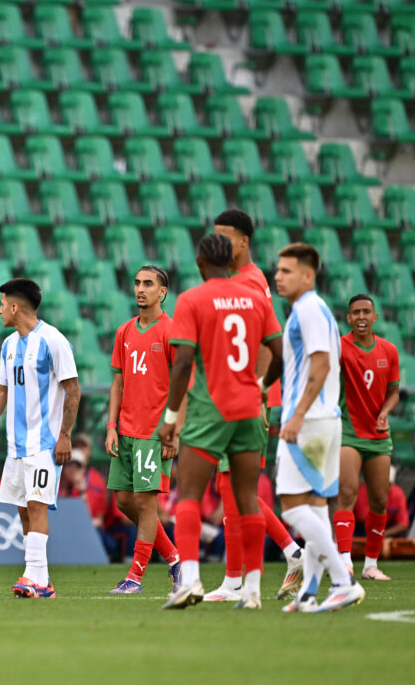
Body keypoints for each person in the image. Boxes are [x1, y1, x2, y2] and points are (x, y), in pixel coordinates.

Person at [158, 233, 283, 610]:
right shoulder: (255, 298)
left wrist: (170, 416)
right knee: (248, 498)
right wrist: (261, 387)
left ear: (200, 262)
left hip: (210, 410)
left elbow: (182, 363)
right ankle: (254, 591)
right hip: (249, 409)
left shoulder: (192, 299)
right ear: (231, 260)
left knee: (190, 496)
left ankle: (191, 582)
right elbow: (278, 352)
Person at [210, 209, 306, 602]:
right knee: (230, 485)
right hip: (239, 396)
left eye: (225, 237)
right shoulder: (244, 280)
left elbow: (269, 341)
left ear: (244, 240)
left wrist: (261, 391)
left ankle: (247, 576)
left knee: (236, 486)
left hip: (247, 399)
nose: (218, 244)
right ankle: (281, 556)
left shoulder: (247, 283)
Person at [0, 278, 81, 598]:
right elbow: (1, 389)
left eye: (3, 305)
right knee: (23, 510)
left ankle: (31, 575)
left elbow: (73, 391)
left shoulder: (53, 340)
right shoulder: (9, 345)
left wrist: (65, 436)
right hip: (15, 445)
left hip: (44, 443)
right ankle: (42, 581)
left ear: (16, 307)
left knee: (36, 506)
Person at [274, 243, 365, 613]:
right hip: (327, 421)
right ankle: (308, 592)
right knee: (314, 508)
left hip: (309, 423)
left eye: (287, 271)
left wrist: (295, 417)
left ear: (308, 275)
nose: (278, 276)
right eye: (278, 270)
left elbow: (322, 365)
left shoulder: (308, 309)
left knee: (292, 508)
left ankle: (344, 581)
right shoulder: (319, 309)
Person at [104, 265, 183, 594]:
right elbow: (118, 383)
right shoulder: (124, 331)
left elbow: (184, 383)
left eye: (148, 284)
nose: (140, 289)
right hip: (125, 430)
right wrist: (111, 426)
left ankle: (135, 577)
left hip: (154, 430)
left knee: (145, 502)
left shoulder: (171, 331)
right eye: (137, 283)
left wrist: (174, 430)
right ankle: (176, 560)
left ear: (162, 292)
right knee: (124, 502)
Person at [334, 294, 402, 581]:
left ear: (375, 317)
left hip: (378, 435)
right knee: (347, 493)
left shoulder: (390, 350)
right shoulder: (339, 346)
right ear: (348, 318)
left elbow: (394, 392)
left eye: (366, 312)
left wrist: (386, 411)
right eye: (355, 312)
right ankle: (344, 561)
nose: (361, 317)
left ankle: (371, 564)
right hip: (349, 432)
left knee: (379, 499)